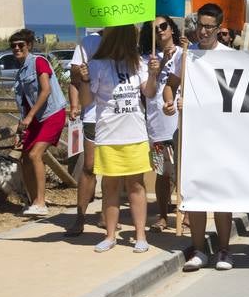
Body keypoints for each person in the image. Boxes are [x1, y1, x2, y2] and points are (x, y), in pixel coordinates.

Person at [71, 24, 159, 253]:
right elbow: (87, 101)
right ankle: (110, 235)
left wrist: (153, 75)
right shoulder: (97, 65)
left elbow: (148, 92)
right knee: (110, 186)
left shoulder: (138, 63)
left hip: (135, 133)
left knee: (136, 185)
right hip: (108, 134)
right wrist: (84, 80)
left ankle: (141, 236)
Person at [182, 3, 242, 271]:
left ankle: (224, 251)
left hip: (222, 137)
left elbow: (238, 99)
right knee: (194, 194)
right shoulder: (186, 55)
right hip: (193, 137)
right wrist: (173, 102)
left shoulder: (230, 57)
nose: (203, 32)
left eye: (208, 27)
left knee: (221, 196)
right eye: (200, 26)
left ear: (219, 28)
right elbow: (171, 87)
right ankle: (198, 250)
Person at [10, 29, 66, 217]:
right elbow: (24, 104)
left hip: (52, 114)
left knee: (35, 155)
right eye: (13, 46)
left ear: (29, 46)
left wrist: (29, 117)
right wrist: (21, 129)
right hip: (34, 119)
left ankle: (41, 202)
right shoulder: (20, 72)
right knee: (25, 157)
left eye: (21, 45)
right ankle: (33, 201)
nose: (17, 49)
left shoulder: (39, 62)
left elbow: (45, 91)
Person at [140, 16, 183, 233]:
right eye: (155, 29)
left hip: (179, 124)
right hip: (156, 126)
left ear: (172, 29)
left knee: (182, 171)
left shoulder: (185, 53)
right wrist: (156, 68)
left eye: (163, 26)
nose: (160, 31)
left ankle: (185, 216)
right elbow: (148, 90)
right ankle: (163, 215)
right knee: (161, 171)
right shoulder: (147, 60)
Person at [65, 28, 102, 237]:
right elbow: (73, 76)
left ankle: (107, 213)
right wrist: (74, 105)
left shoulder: (126, 42)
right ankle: (80, 217)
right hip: (93, 113)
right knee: (89, 166)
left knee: (114, 170)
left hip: (117, 115)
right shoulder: (88, 42)